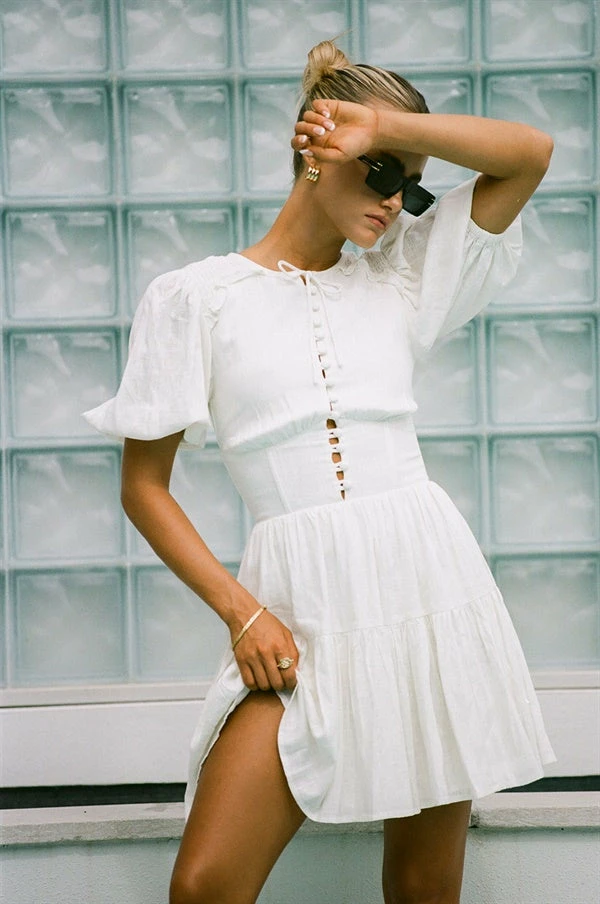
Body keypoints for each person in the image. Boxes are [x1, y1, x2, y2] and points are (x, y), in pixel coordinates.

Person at [84, 40, 556, 904]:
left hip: (428, 593)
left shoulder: (402, 276)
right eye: (382, 172)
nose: (397, 199)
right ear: (315, 148)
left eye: (412, 184)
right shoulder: (197, 298)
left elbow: (528, 154)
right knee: (206, 887)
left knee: (423, 887)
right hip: (295, 611)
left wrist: (385, 131)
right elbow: (142, 488)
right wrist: (242, 612)